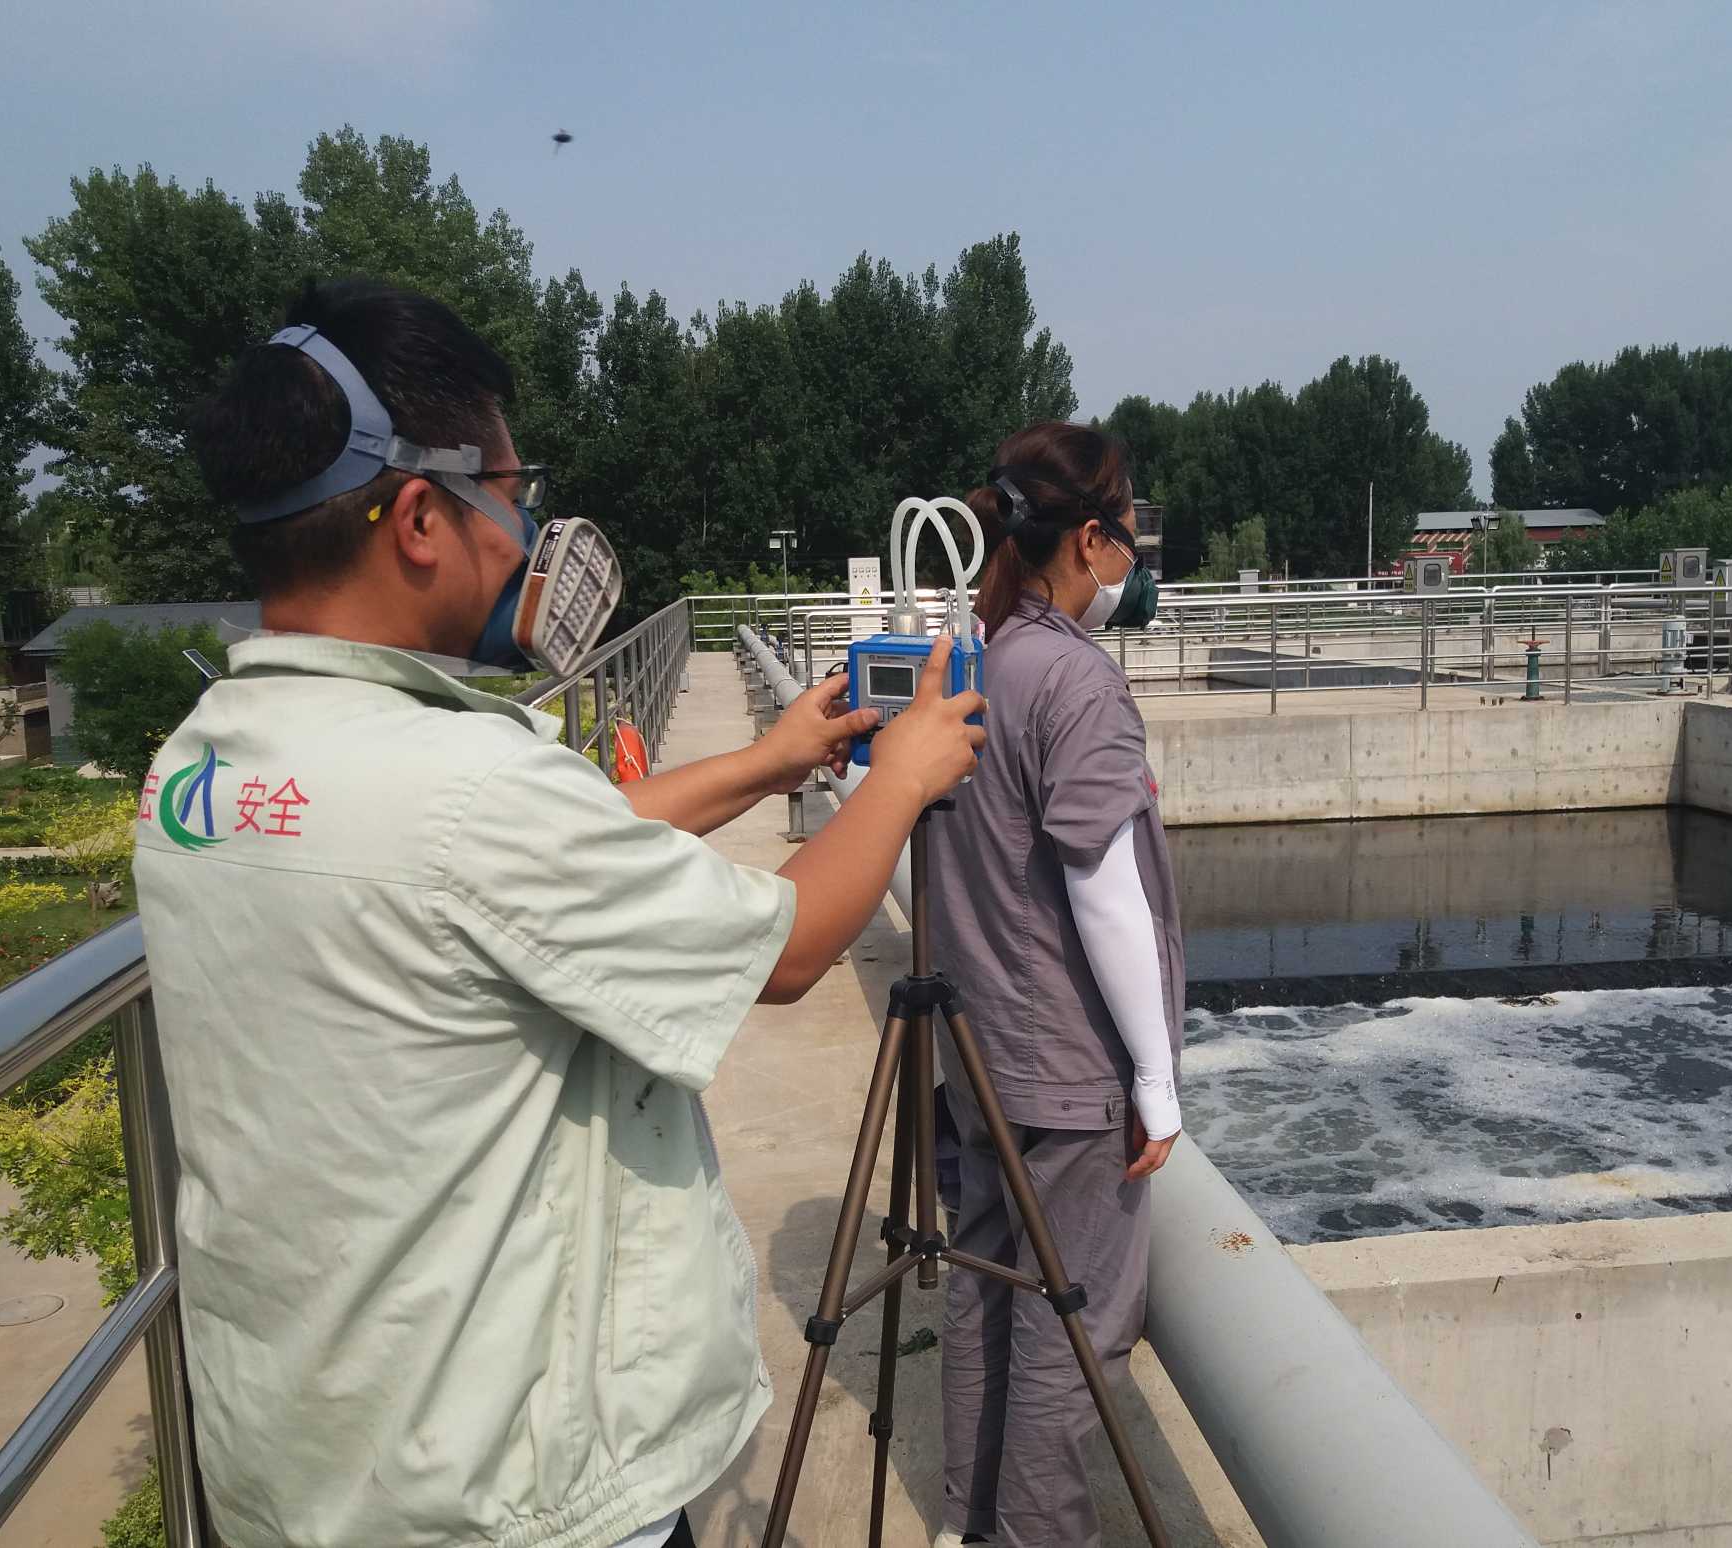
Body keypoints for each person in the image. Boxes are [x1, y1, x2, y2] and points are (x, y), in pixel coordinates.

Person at [133, 277, 984, 1548]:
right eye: (512, 492)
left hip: (309, 1464)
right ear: (419, 517)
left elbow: (548, 854)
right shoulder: (468, 789)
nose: (527, 535)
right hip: (514, 1494)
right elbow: (792, 948)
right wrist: (903, 777)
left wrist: (766, 764)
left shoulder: (200, 766)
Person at [927, 423, 1182, 1548]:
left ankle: (970, 1523)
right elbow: (1106, 891)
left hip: (978, 1053)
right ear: (1089, 538)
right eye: (1126, 527)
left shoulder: (977, 660)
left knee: (985, 1288)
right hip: (1068, 1078)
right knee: (1069, 1340)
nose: (1132, 554)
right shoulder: (1076, 679)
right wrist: (1156, 1082)